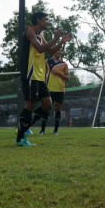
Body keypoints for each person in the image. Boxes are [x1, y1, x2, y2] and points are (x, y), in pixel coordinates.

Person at [16, 12, 71, 147]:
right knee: (31, 103)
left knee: (47, 105)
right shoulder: (30, 31)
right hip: (31, 74)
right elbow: (40, 49)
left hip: (39, 77)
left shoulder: (41, 35)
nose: (48, 22)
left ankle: (25, 126)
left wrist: (61, 42)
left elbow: (51, 51)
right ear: (38, 20)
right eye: (46, 19)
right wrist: (55, 38)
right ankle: (20, 138)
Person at [39, 50, 70, 136]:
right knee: (47, 108)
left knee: (58, 108)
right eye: (58, 51)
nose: (60, 53)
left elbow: (68, 78)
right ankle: (42, 130)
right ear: (54, 52)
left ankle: (55, 130)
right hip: (49, 89)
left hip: (60, 90)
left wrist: (59, 74)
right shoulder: (47, 62)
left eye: (61, 52)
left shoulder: (64, 64)